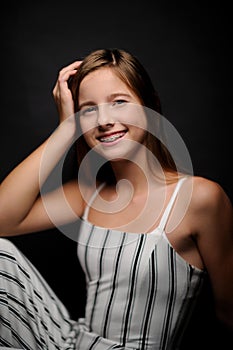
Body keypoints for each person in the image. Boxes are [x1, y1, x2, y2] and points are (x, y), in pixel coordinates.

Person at [0, 48, 232, 350]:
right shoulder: (89, 194)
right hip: (73, 342)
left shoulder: (199, 198)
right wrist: (65, 129)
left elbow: (228, 313)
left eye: (119, 102)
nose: (105, 120)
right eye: (88, 110)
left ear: (150, 107)